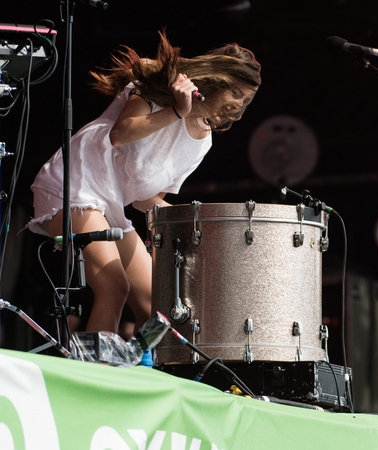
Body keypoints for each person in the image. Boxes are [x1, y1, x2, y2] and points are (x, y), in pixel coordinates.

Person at [27, 31, 261, 338]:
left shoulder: (202, 142)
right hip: (74, 186)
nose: (237, 107)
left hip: (108, 206)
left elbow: (146, 200)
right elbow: (120, 134)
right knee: (113, 287)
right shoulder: (154, 91)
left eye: (245, 100)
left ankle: (135, 371)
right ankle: (99, 379)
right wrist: (177, 111)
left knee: (156, 303)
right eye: (235, 94)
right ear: (216, 82)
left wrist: (200, 223)